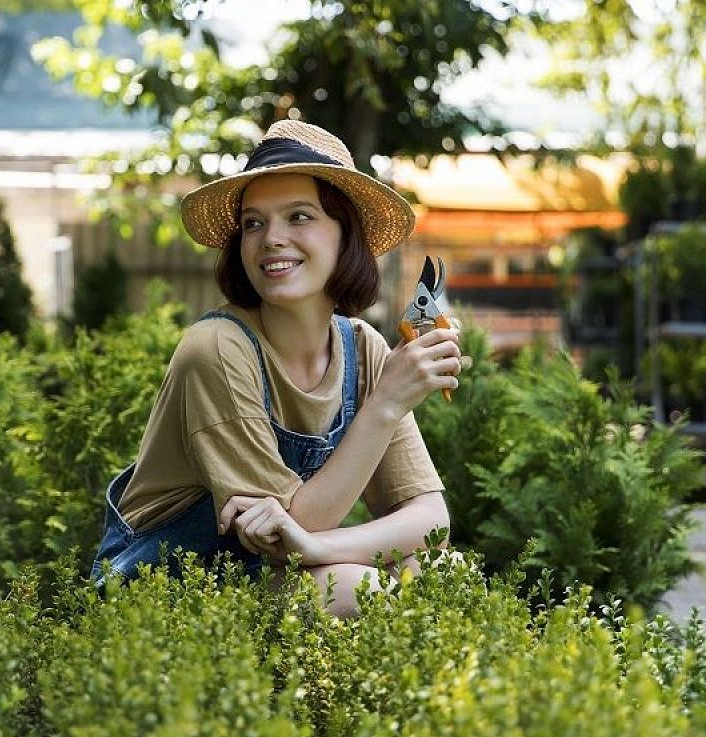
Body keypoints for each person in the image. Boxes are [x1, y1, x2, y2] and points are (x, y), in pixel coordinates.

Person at [91, 119, 462, 616]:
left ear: (345, 233)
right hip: (166, 590)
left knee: (441, 573)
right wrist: (387, 403)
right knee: (367, 591)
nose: (271, 239)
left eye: (299, 217)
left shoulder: (363, 349)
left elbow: (429, 520)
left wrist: (318, 550)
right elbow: (282, 535)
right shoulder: (217, 350)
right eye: (253, 222)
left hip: (274, 576)